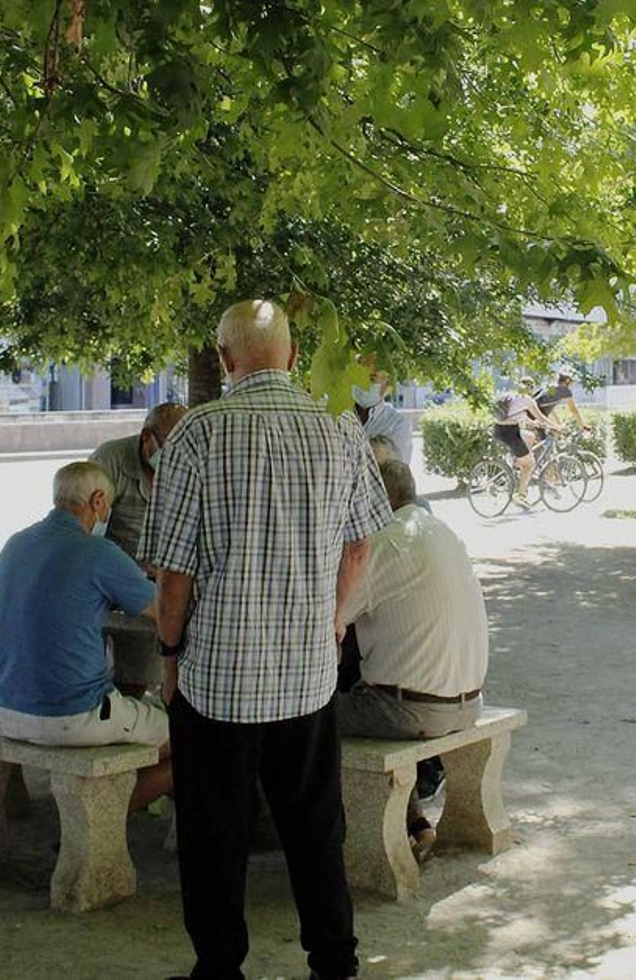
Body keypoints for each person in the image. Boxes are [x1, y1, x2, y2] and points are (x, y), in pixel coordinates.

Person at [144, 298, 390, 980]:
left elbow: (173, 577)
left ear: (225, 361)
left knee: (212, 833)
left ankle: (220, 968)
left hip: (216, 681)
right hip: (308, 675)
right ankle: (334, 962)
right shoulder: (341, 430)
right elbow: (362, 546)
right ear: (292, 353)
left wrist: (168, 654)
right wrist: (334, 617)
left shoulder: (195, 435)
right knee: (315, 826)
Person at [0, 462, 172, 812]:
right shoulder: (99, 552)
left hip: (5, 708)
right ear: (98, 500)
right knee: (192, 740)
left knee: (134, 717)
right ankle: (97, 816)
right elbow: (165, 611)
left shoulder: (16, 543)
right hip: (71, 715)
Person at [336, 458, 488, 862]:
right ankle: (416, 825)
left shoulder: (385, 541)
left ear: (377, 499)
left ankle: (322, 839)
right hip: (468, 703)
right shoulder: (441, 532)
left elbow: (327, 615)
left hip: (411, 710)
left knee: (301, 719)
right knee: (363, 694)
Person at [89, 402, 190, 696]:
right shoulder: (110, 461)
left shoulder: (192, 459)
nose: (177, 457)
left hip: (170, 571)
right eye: (170, 449)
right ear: (147, 438)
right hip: (119, 575)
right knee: (134, 667)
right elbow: (87, 529)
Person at [491, 377, 560, 500]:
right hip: (510, 433)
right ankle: (521, 495)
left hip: (498, 430)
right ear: (531, 388)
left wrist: (535, 424)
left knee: (530, 436)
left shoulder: (513, 397)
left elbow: (520, 416)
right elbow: (542, 418)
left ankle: (516, 464)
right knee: (530, 464)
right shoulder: (528, 400)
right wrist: (557, 427)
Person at [352, 370, 414, 465]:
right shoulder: (336, 418)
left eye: (371, 379)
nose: (364, 383)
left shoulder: (398, 425)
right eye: (359, 377)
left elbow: (396, 472)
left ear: (386, 385)